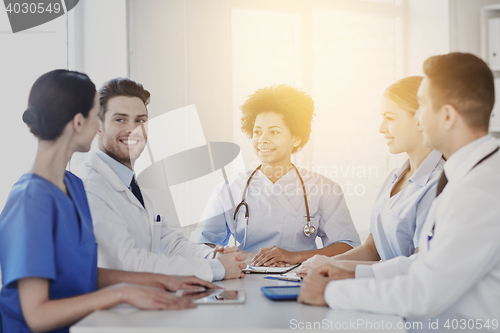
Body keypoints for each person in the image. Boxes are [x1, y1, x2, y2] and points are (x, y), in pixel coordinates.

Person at [0, 70, 219, 333]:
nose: (98, 127)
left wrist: (162, 280)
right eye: (96, 116)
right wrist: (121, 293)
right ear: (79, 122)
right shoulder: (30, 200)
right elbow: (36, 315)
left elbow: (85, 272)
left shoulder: (73, 186)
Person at [298, 53, 500, 330]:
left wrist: (331, 292)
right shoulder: (465, 176)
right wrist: (350, 275)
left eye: (422, 106)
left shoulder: (481, 190)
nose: (418, 117)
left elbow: (424, 293)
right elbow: (424, 264)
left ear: (448, 116)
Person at [75, 78, 246, 282]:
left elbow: (168, 241)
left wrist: (212, 256)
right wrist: (215, 269)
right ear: (98, 127)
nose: (133, 129)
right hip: (115, 309)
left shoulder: (129, 185)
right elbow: (127, 264)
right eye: (120, 119)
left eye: (140, 120)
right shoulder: (90, 187)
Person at [190, 84, 360, 267]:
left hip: (302, 280)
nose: (262, 139)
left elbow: (348, 247)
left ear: (296, 138)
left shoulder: (324, 189)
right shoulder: (229, 189)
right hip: (242, 278)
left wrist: (296, 257)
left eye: (274, 132)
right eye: (257, 132)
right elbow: (201, 245)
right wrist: (223, 256)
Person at [297, 76, 444, 277]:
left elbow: (418, 268)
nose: (381, 128)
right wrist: (323, 264)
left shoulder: (440, 185)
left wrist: (339, 269)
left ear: (420, 119)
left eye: (390, 118)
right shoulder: (395, 177)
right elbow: (371, 249)